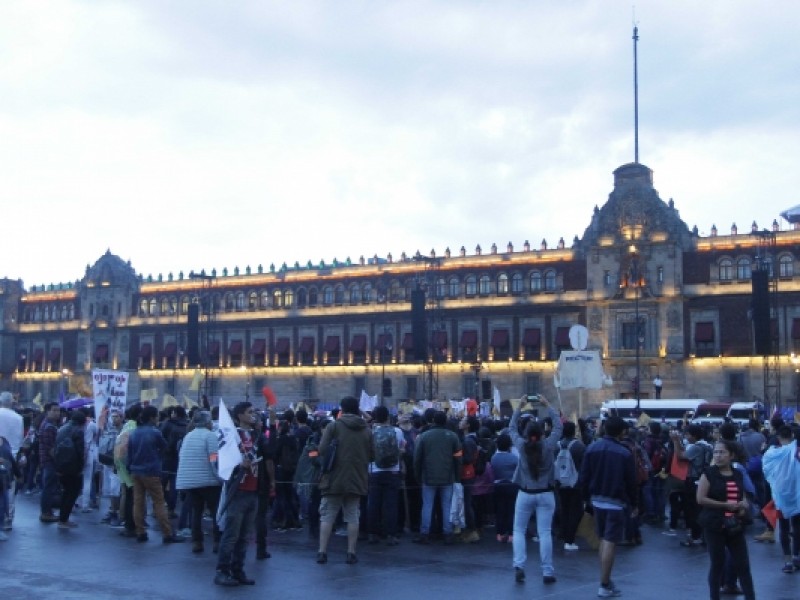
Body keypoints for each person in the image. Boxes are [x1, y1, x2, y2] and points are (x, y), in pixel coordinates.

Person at [581, 416, 638, 598]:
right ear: (622, 432)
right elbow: (632, 482)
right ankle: (604, 584)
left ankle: (606, 580)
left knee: (604, 540)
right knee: (609, 542)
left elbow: (584, 477)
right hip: (615, 501)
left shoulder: (592, 448)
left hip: (596, 499)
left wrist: (585, 499)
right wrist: (635, 504)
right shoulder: (625, 453)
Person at [509, 395, 562, 585]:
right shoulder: (548, 445)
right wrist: (548, 405)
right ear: (541, 434)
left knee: (519, 530)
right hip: (546, 493)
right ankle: (547, 571)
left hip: (525, 493)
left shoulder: (522, 446)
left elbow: (511, 428)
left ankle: (519, 566)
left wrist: (519, 407)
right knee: (545, 533)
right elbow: (558, 427)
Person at [696, 440, 755, 600]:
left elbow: (741, 496)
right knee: (717, 565)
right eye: (716, 452)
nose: (718, 456)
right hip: (714, 525)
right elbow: (700, 499)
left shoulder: (737, 474)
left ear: (731, 455)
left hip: (735, 526)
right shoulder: (709, 473)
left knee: (743, 567)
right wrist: (724, 505)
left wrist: (743, 505)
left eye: (722, 452)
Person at [316, 396, 372, 565]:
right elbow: (372, 456)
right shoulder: (366, 430)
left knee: (328, 515)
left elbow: (322, 450)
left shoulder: (334, 426)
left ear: (342, 409)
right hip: (357, 478)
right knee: (352, 516)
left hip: (334, 478)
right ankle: (351, 553)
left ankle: (322, 552)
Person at [214, 401, 262, 586]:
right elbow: (223, 461)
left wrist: (271, 426)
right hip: (239, 491)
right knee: (232, 535)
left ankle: (238, 569)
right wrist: (238, 465)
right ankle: (222, 571)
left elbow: (270, 450)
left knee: (245, 536)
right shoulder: (232, 435)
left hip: (253, 490)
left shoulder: (256, 435)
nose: (253, 415)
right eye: (250, 412)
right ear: (240, 415)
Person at [127, 404, 184, 544]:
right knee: (159, 502)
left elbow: (129, 453)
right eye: (157, 416)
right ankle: (167, 533)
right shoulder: (155, 432)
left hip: (136, 471)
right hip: (151, 471)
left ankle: (140, 531)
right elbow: (165, 447)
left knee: (138, 502)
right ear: (152, 418)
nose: (158, 419)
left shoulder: (134, 432)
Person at [412, 410, 462, 546]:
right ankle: (448, 533)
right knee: (446, 506)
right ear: (445, 421)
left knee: (427, 505)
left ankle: (424, 533)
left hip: (428, 476)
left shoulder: (423, 436)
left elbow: (417, 458)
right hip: (448, 476)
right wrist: (457, 476)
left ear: (433, 421)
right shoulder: (453, 436)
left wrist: (417, 475)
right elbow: (458, 458)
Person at [176, 410, 222, 554]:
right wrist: (220, 477)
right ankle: (217, 542)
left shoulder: (188, 436)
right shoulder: (210, 436)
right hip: (208, 481)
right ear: (208, 422)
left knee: (196, 512)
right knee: (216, 512)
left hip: (191, 481)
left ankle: (197, 542)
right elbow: (214, 459)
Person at [762, 425, 800, 574]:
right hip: (797, 493)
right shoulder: (795, 451)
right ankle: (797, 555)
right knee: (797, 527)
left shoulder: (771, 453)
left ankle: (787, 560)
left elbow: (766, 472)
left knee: (783, 528)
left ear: (778, 437)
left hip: (780, 495)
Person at [367, 405, 405, 545]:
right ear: (388, 417)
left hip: (374, 471)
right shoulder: (397, 431)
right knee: (391, 505)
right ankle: (391, 535)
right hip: (393, 471)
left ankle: (373, 533)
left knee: (373, 504)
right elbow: (402, 449)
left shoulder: (371, 432)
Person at [55, 409, 87, 529]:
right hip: (73, 467)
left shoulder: (61, 429)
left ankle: (62, 518)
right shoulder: (78, 431)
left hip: (61, 465)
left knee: (66, 492)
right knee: (73, 492)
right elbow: (80, 451)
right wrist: (81, 466)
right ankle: (64, 519)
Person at [557, 420, 586, 551]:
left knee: (563, 508)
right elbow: (584, 466)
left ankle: (562, 533)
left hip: (559, 482)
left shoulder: (556, 445)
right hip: (575, 483)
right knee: (575, 511)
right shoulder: (579, 446)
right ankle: (570, 539)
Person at [0, 391, 23, 530]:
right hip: (11, 455)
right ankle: (8, 517)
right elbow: (19, 440)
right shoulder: (18, 418)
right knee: (9, 488)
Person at [38, 403, 62, 523]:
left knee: (48, 487)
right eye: (54, 410)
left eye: (58, 410)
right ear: (47, 411)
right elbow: (51, 449)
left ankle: (47, 511)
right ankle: (46, 513)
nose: (57, 413)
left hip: (47, 461)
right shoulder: (48, 426)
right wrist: (59, 462)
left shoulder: (51, 425)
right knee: (48, 487)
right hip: (49, 461)